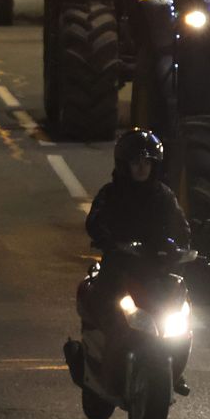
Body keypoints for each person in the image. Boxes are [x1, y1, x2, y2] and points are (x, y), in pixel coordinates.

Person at [81, 128, 192, 394]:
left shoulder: (164, 197)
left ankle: (174, 369)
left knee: (177, 309)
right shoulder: (111, 194)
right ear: (124, 164)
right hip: (119, 268)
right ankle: (105, 360)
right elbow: (94, 221)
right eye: (136, 162)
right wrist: (107, 239)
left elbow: (181, 229)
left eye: (148, 162)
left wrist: (181, 248)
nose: (142, 168)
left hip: (154, 270)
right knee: (109, 306)